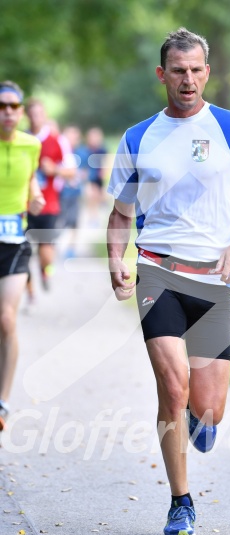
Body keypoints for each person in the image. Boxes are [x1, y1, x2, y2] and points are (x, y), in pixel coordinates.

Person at [106, 28, 230, 535]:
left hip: (214, 283)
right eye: (178, 70)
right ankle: (180, 503)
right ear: (162, 75)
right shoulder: (139, 138)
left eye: (196, 70)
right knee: (173, 387)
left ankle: (193, 420)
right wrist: (115, 258)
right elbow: (120, 215)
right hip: (158, 273)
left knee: (207, 410)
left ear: (208, 72)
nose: (188, 79)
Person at [0, 80, 45, 431]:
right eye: (2, 106)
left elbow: (31, 179)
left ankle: (2, 400)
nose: (9, 112)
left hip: (14, 241)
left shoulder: (32, 145)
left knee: (6, 320)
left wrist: (36, 193)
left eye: (14, 106)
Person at [25, 99, 75, 294]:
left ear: (44, 115)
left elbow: (71, 171)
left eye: (39, 113)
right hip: (24, 205)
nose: (36, 117)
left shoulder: (57, 140)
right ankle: (30, 294)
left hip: (49, 205)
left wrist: (54, 169)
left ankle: (46, 270)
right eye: (32, 113)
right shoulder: (20, 138)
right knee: (23, 252)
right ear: (27, 116)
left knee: (45, 253)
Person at [57, 126, 89, 258]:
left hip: (75, 193)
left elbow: (86, 172)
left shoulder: (82, 152)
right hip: (61, 193)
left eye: (75, 137)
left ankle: (71, 247)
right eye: (69, 136)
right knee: (61, 221)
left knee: (74, 221)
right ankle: (56, 245)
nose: (72, 139)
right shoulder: (60, 151)